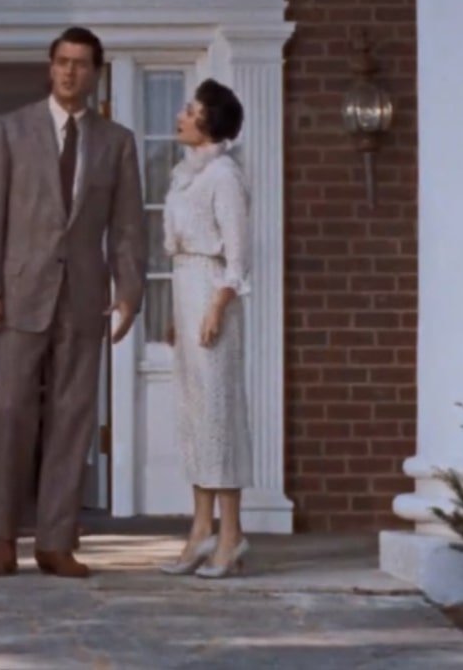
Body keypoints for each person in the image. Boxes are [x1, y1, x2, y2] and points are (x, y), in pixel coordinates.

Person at [0, 26, 147, 579]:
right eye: (62, 62)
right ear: (50, 67)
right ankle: (3, 536)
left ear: (96, 73)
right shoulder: (10, 129)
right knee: (11, 414)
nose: (70, 72)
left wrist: (129, 292)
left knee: (73, 417)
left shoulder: (116, 141)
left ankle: (55, 542)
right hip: (20, 292)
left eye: (81, 64)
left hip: (84, 294)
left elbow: (128, 226)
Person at [156, 79, 253, 580]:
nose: (181, 115)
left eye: (190, 109)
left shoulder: (224, 176)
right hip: (187, 288)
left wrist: (215, 307)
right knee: (195, 417)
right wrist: (180, 312)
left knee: (219, 415)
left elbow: (237, 256)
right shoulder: (184, 175)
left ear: (209, 121)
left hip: (214, 293)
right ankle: (200, 530)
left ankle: (231, 533)